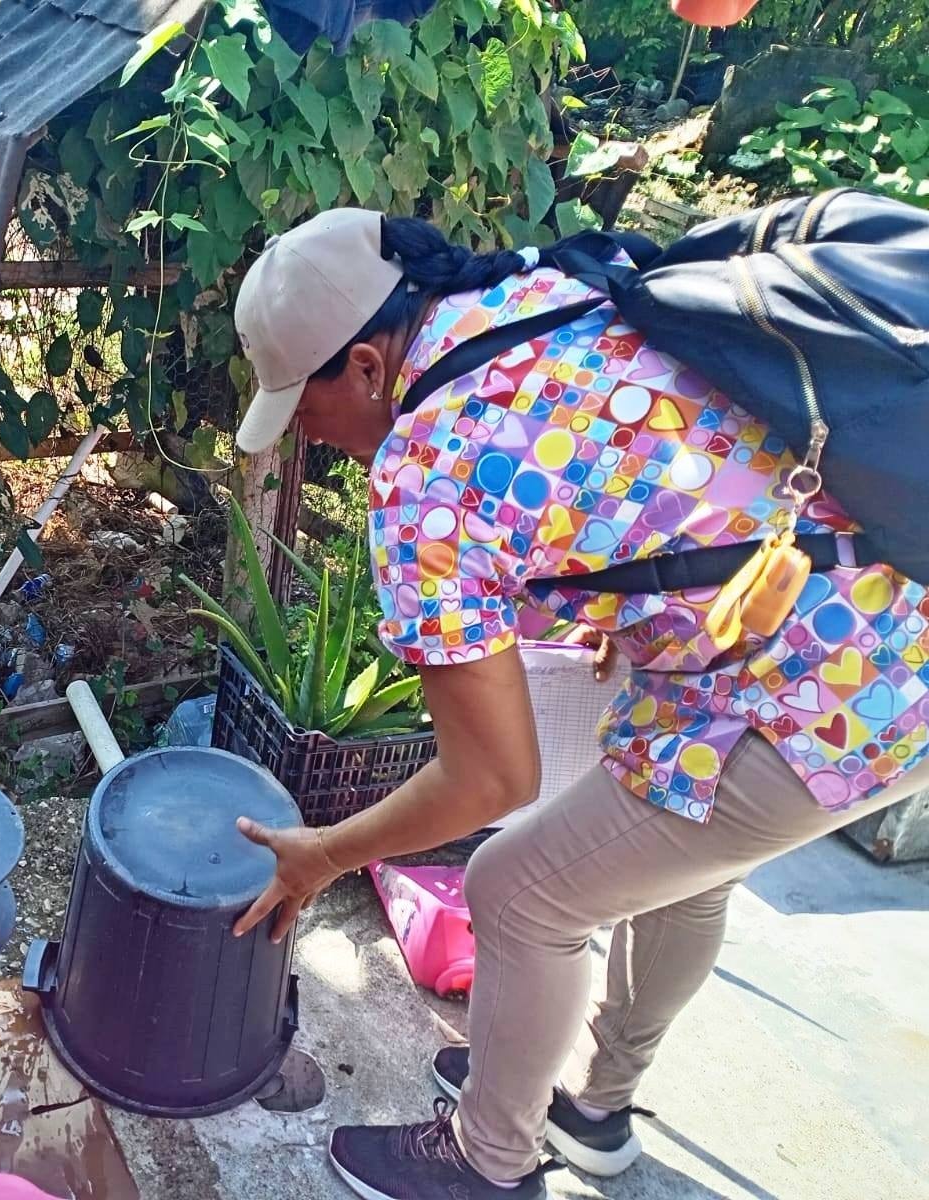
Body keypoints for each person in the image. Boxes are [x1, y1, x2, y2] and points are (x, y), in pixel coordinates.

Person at [224, 208, 929, 1200]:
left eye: (305, 405)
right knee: (679, 868)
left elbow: (490, 779)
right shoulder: (545, 290)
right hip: (883, 629)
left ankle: (484, 1161)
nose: (308, 433)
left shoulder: (424, 472)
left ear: (371, 371)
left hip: (822, 697)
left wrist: (326, 853)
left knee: (517, 891)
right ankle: (593, 1111)